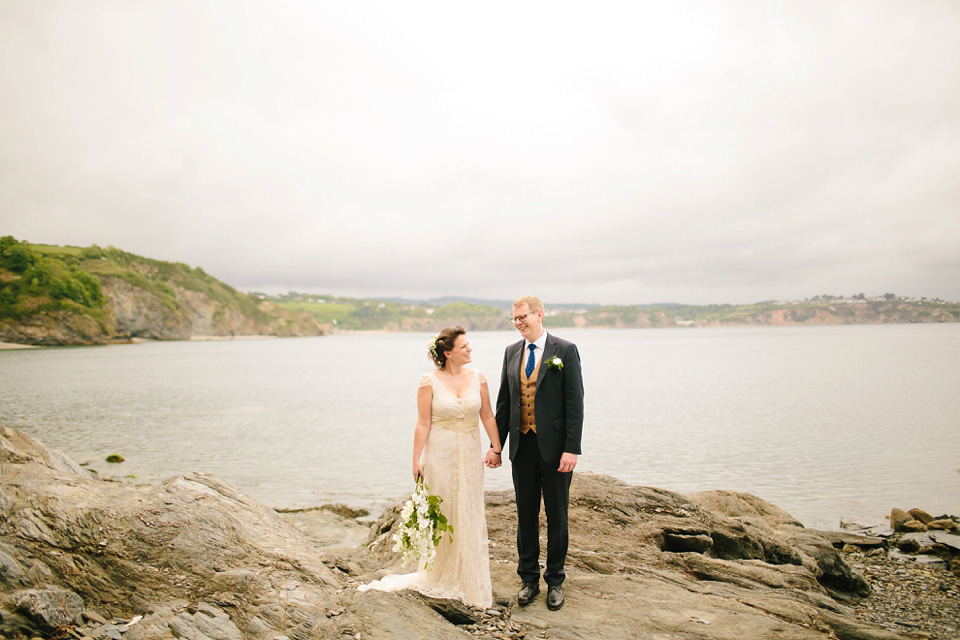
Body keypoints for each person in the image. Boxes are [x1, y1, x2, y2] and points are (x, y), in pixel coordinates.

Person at [359, 326, 503, 608]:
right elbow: (423, 422)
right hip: (440, 453)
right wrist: (415, 460)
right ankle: (440, 574)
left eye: (469, 345)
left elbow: (487, 415)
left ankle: (468, 577)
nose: (469, 349)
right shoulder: (428, 381)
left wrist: (496, 448)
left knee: (469, 510)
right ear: (448, 353)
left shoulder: (479, 378)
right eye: (464, 347)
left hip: (470, 451)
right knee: (445, 510)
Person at [496, 295, 584, 611]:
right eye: (515, 318)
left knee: (557, 516)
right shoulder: (510, 353)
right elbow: (504, 404)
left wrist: (572, 448)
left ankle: (556, 581)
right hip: (522, 447)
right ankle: (529, 579)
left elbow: (575, 404)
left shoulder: (565, 350)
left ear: (539, 315)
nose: (519, 322)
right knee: (525, 516)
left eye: (523, 317)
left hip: (556, 449)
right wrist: (497, 446)